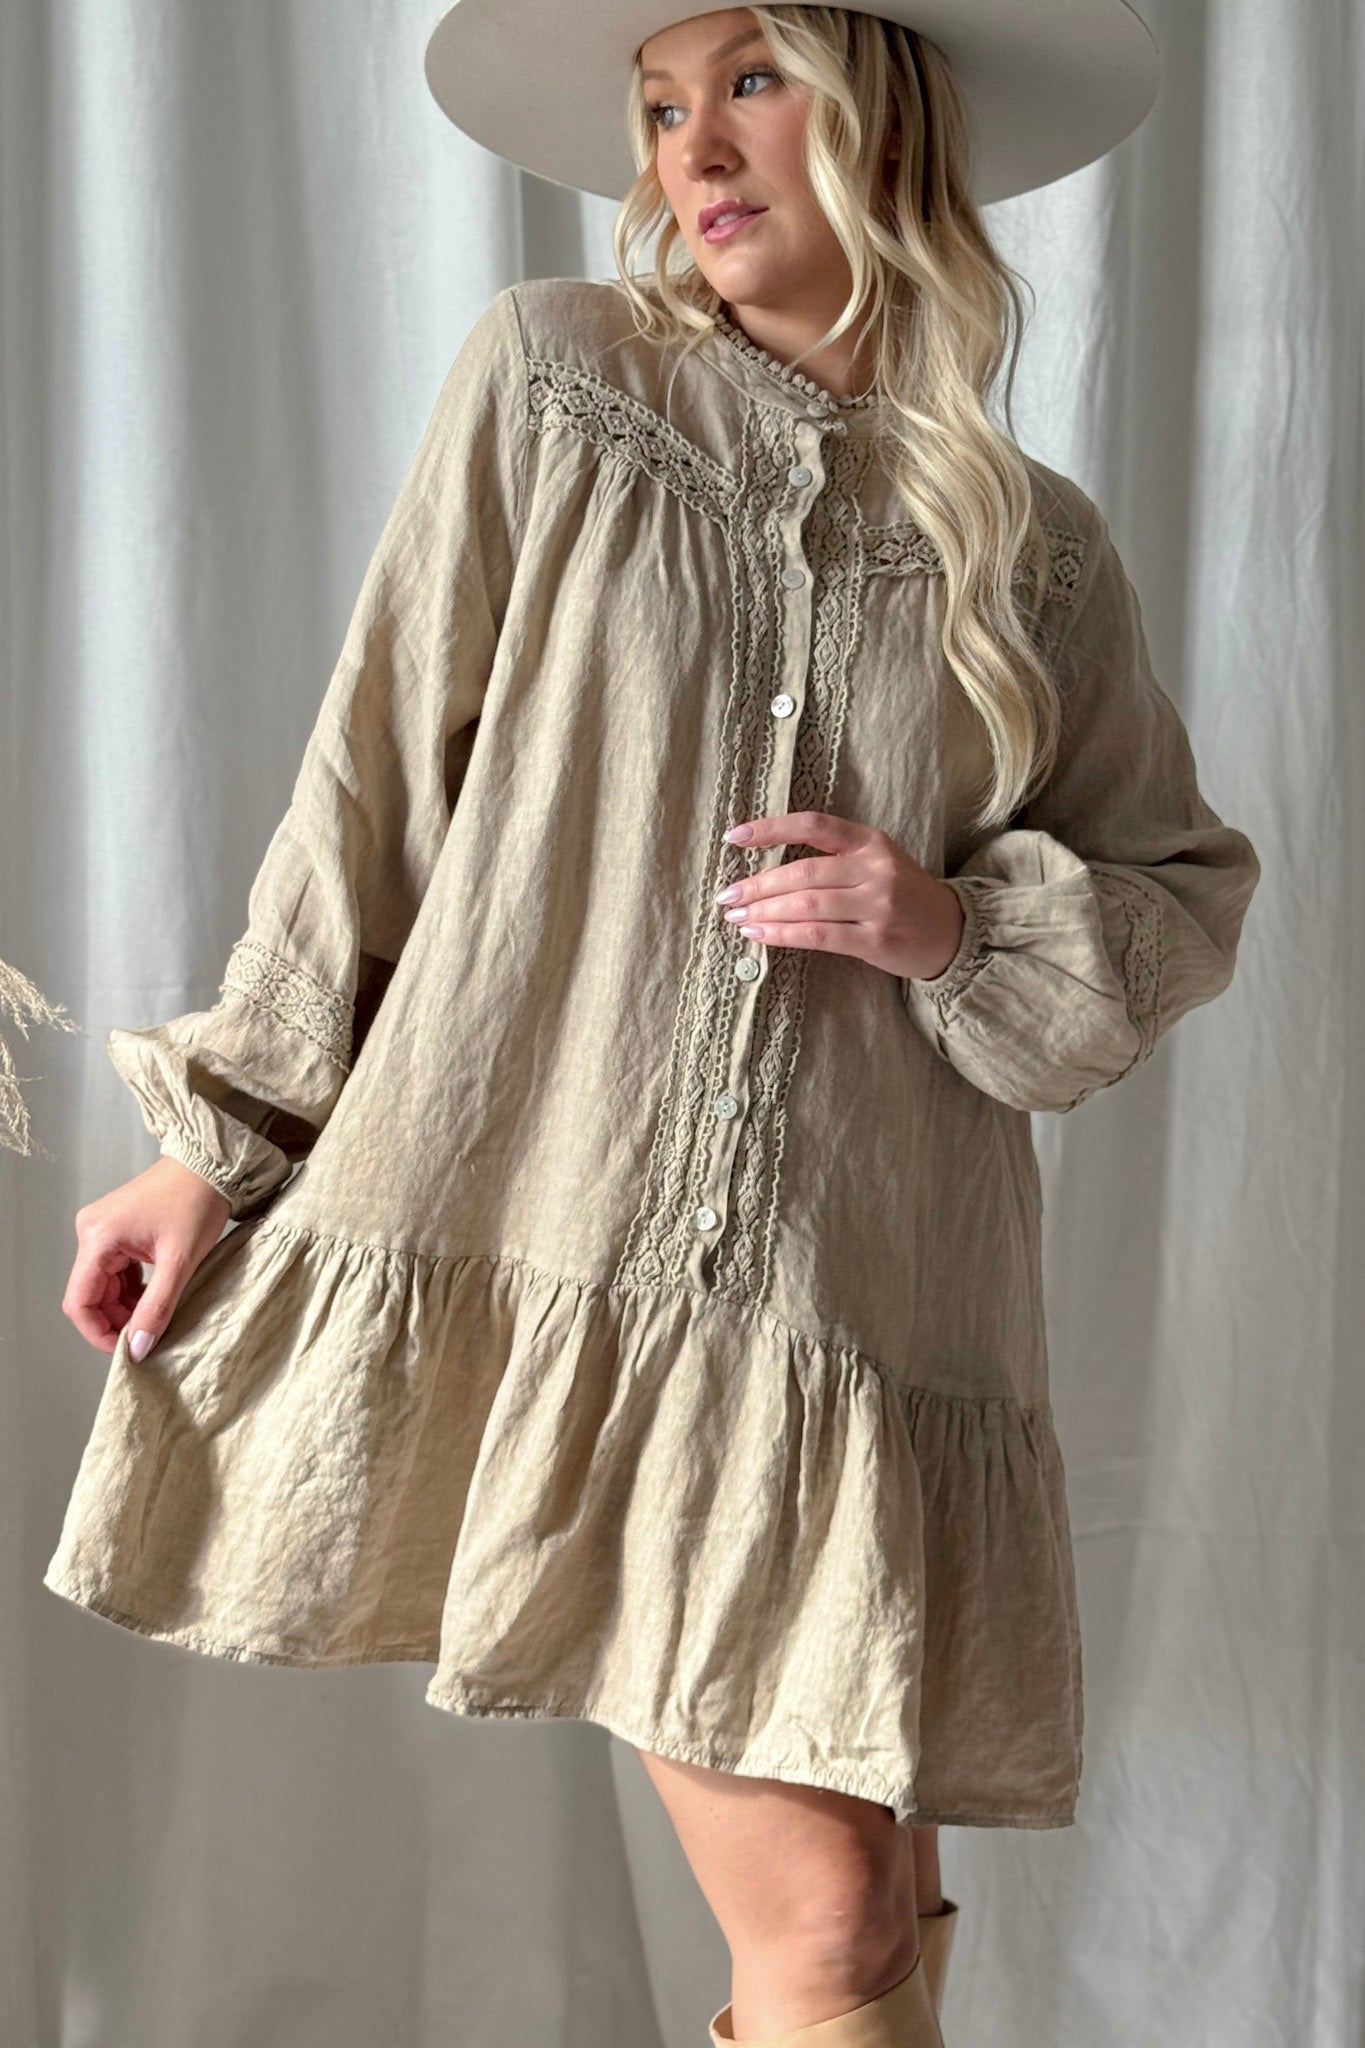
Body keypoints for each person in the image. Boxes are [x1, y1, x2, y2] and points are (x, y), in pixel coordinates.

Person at [48, 5, 1261, 2044]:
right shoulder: (556, 381)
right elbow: (377, 784)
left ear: (882, 112)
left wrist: (945, 922)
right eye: (661, 104)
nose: (693, 148)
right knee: (832, 1923)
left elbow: (1172, 893)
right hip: (585, 1250)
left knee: (875, 1914)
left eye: (751, 83)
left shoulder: (1030, 543)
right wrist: (216, 1137)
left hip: (878, 1306)